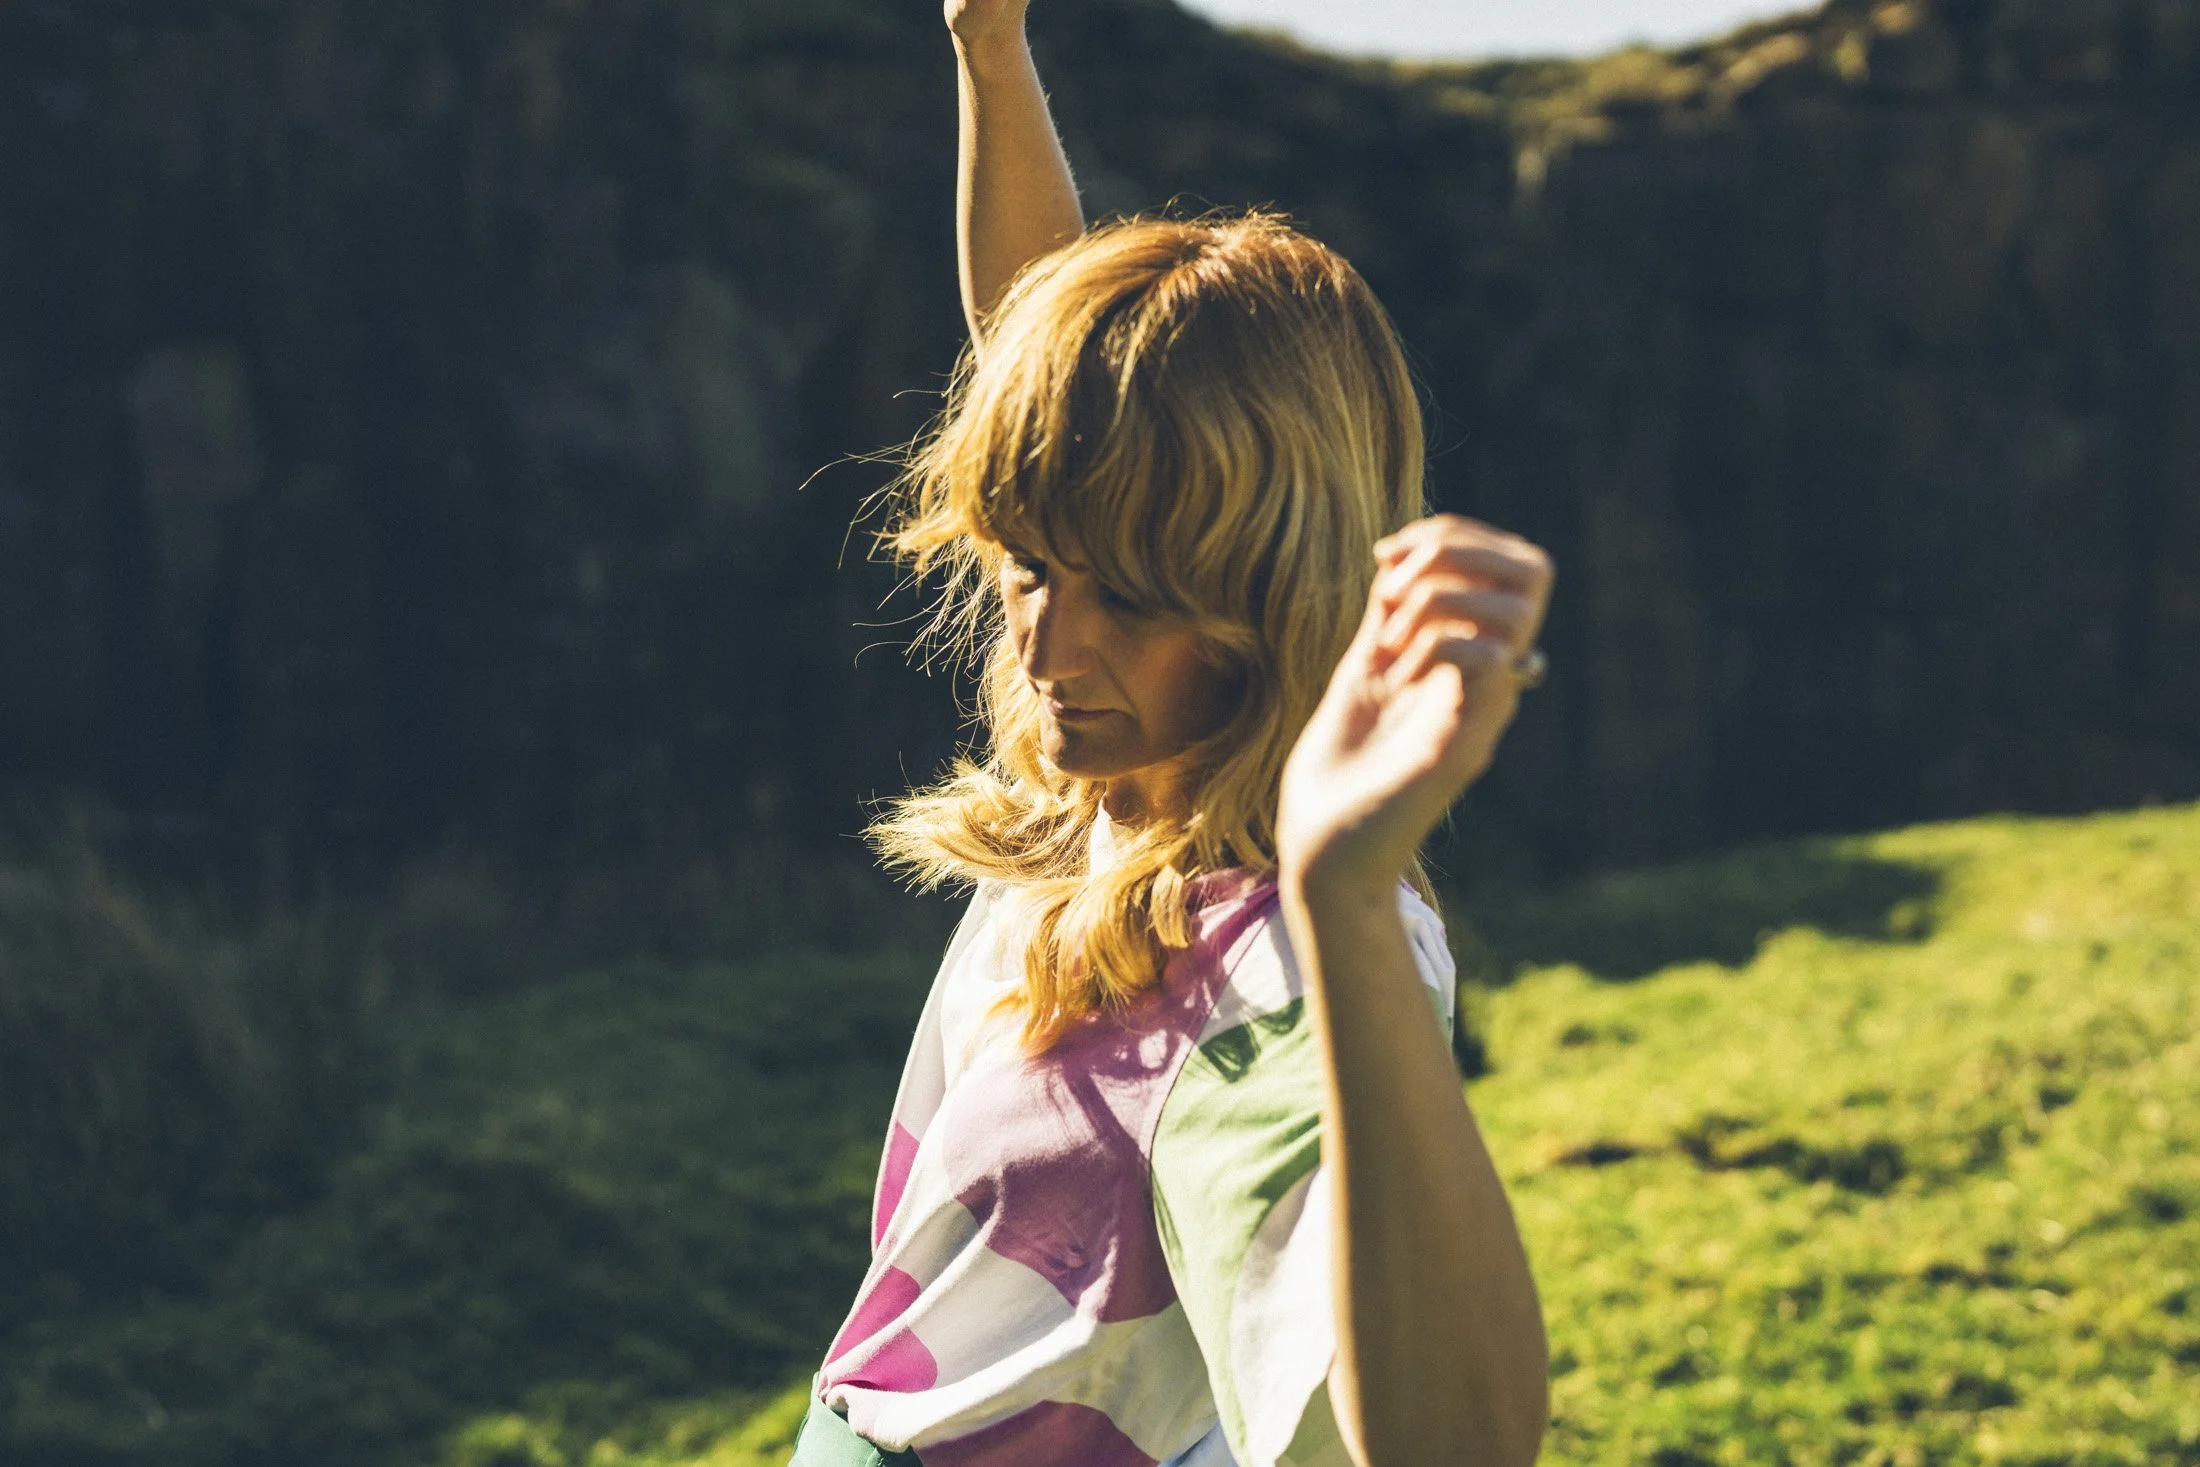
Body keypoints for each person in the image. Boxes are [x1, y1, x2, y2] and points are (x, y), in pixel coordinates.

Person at [789, 1, 1554, 1463]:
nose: (1043, 645)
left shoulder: (1278, 968)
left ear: (1270, 594)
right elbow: (1032, 345)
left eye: (1125, 598)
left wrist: (1337, 897)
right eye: (1022, 559)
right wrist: (989, 51)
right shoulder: (1119, 763)